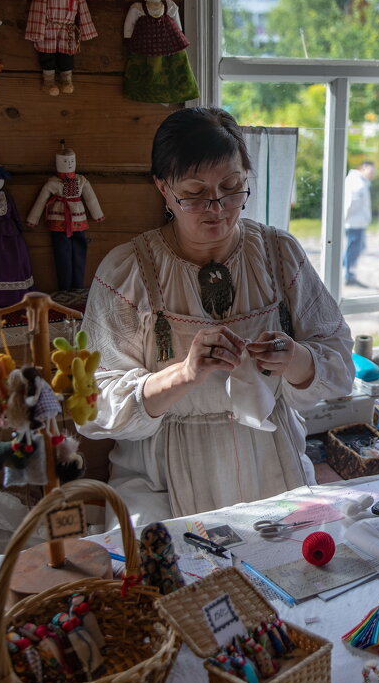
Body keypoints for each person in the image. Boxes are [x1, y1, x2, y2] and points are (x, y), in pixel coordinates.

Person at [80, 107, 354, 525]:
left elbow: (339, 364)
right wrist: (183, 374)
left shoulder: (279, 256)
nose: (218, 208)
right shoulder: (129, 272)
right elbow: (91, 402)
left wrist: (295, 359)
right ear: (163, 189)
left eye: (232, 187)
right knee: (170, 581)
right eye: (194, 193)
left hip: (272, 465)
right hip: (160, 483)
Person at [342, 160, 375, 287]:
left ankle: (347, 270)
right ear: (363, 168)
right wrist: (346, 218)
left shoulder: (360, 181)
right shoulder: (356, 182)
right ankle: (348, 274)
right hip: (354, 222)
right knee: (353, 249)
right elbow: (351, 203)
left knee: (358, 248)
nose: (372, 174)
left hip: (357, 221)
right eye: (371, 171)